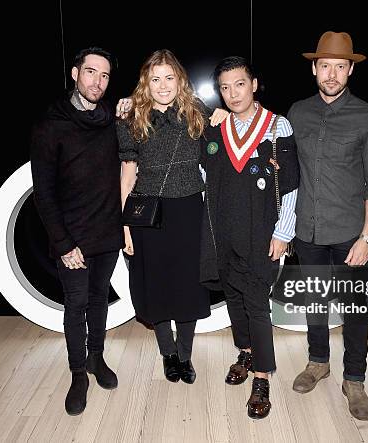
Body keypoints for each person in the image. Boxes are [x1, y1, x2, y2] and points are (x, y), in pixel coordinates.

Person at [287, 31, 368, 421]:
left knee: (354, 308)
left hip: (351, 234)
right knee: (314, 300)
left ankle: (355, 379)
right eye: (325, 65)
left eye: (340, 66)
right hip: (307, 232)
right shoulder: (297, 112)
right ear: (314, 68)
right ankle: (317, 363)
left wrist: (367, 236)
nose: (332, 73)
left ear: (351, 70)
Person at [117, 49, 226, 385]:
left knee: (189, 285)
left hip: (189, 209)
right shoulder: (130, 116)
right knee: (157, 284)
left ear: (179, 80)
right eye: (155, 79)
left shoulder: (197, 112)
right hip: (148, 212)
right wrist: (124, 226)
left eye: (168, 77)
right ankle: (168, 353)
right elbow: (127, 172)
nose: (162, 85)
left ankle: (185, 354)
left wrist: (223, 116)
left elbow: (225, 138)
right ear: (145, 83)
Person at [200, 56, 299, 419]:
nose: (232, 93)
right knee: (235, 299)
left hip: (263, 233)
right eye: (225, 87)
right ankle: (245, 351)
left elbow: (290, 186)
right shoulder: (216, 128)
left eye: (239, 84)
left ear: (254, 84)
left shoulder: (278, 127)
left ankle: (261, 378)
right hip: (224, 232)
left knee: (257, 303)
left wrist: (284, 232)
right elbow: (203, 170)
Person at [30, 47, 122, 416]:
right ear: (74, 74)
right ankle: (78, 373)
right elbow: (43, 192)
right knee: (76, 304)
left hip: (106, 232)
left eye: (104, 76)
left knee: (99, 299)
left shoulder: (112, 119)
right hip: (73, 239)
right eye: (91, 72)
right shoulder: (50, 125)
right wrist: (64, 243)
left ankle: (96, 358)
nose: (97, 81)